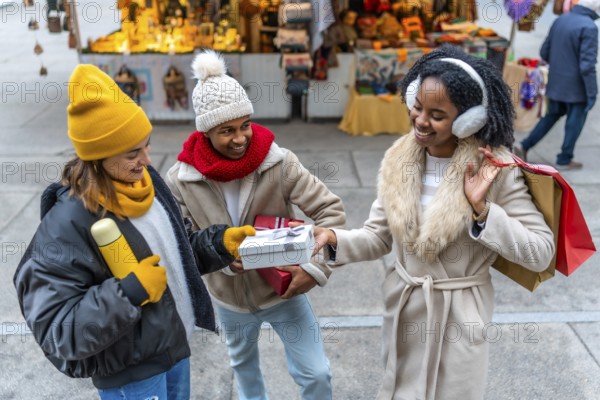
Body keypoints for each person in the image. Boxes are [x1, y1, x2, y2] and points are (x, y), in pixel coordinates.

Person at [309, 45, 555, 399]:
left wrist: (482, 210)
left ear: (469, 118)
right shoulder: (399, 160)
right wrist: (334, 238)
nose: (421, 121)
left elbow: (540, 252)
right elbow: (377, 237)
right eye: (418, 107)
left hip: (460, 317)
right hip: (406, 310)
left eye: (437, 115)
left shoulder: (495, 169)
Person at [13, 64, 256, 399]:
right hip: (132, 375)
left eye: (147, 146)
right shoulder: (66, 224)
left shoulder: (147, 182)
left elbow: (176, 250)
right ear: (98, 156)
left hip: (173, 347)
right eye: (132, 153)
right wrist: (128, 292)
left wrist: (219, 243)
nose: (146, 160)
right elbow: (58, 329)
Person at [166, 50, 346, 400]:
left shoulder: (278, 162)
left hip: (285, 292)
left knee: (318, 375)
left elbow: (331, 213)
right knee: (245, 376)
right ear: (205, 132)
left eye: (245, 125)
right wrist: (221, 259)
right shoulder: (181, 180)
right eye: (226, 130)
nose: (240, 138)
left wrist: (315, 268)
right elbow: (182, 244)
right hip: (229, 301)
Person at [515, 0, 599, 170]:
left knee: (550, 116)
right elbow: (587, 66)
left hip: (556, 82)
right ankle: (564, 159)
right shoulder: (590, 27)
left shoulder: (560, 20)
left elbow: (544, 52)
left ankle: (524, 145)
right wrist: (592, 92)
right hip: (576, 88)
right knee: (574, 122)